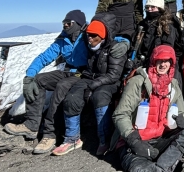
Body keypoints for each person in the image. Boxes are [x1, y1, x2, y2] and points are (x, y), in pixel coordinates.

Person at [4, 10, 89, 155]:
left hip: (83, 73)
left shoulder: (87, 36)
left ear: (78, 24)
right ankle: (32, 125)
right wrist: (29, 76)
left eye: (69, 23)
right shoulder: (63, 39)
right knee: (38, 81)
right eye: (64, 23)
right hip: (68, 71)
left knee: (61, 88)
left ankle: (50, 134)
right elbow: (45, 57)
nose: (66, 26)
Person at [113, 45, 184, 172]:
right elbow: (120, 115)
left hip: (160, 139)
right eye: (160, 60)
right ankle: (163, 165)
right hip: (135, 144)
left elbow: (181, 112)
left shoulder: (173, 85)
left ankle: (162, 167)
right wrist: (134, 141)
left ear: (172, 64)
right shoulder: (137, 82)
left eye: (167, 61)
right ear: (153, 61)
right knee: (139, 169)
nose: (164, 64)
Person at [54, 13, 129, 156]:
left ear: (103, 36)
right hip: (90, 78)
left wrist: (93, 85)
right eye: (89, 35)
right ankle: (72, 138)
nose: (90, 38)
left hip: (109, 81)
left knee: (100, 96)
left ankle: (104, 139)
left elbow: (114, 75)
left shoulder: (114, 49)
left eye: (94, 35)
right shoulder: (90, 46)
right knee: (72, 97)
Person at [135, 0, 177, 68]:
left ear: (160, 8)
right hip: (140, 62)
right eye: (147, 7)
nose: (149, 9)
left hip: (157, 63)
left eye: (153, 7)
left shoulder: (166, 25)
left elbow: (167, 47)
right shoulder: (142, 24)